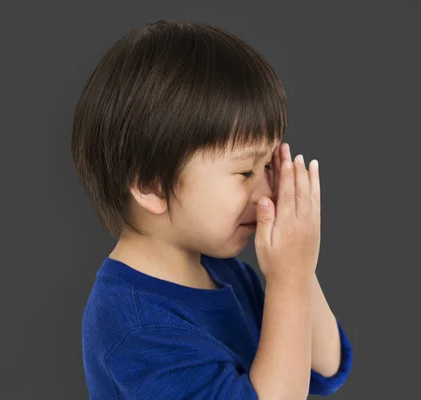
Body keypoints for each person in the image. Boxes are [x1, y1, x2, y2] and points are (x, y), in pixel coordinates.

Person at [72, 19, 353, 399]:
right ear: (152, 184)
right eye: (245, 171)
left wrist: (298, 271)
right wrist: (288, 278)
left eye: (269, 166)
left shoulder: (228, 274)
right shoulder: (134, 323)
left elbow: (324, 366)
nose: (267, 191)